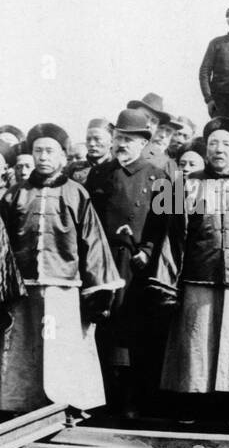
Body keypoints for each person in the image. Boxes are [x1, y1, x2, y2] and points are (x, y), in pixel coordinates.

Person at [146, 118, 229, 426]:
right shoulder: (184, 185)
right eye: (213, 143)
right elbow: (173, 236)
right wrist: (168, 282)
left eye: (226, 144)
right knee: (195, 343)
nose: (218, 149)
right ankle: (190, 406)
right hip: (197, 274)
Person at [0, 123, 116, 414]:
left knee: (62, 347)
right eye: (38, 151)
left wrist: (98, 288)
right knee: (25, 347)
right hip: (24, 288)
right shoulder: (14, 195)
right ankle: (21, 404)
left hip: (64, 287)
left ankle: (68, 404)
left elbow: (92, 242)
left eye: (50, 151)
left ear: (63, 156)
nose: (43, 157)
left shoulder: (76, 194)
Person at [84, 107, 178, 416]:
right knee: (103, 329)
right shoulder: (98, 174)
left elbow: (167, 224)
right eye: (119, 138)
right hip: (102, 263)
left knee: (134, 331)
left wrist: (147, 251)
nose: (122, 144)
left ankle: (135, 402)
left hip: (137, 266)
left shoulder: (160, 175)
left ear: (143, 143)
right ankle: (103, 402)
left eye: (129, 139)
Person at [71, 118, 114, 185]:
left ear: (112, 141)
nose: (91, 144)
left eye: (97, 139)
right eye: (88, 139)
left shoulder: (118, 169)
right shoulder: (73, 170)